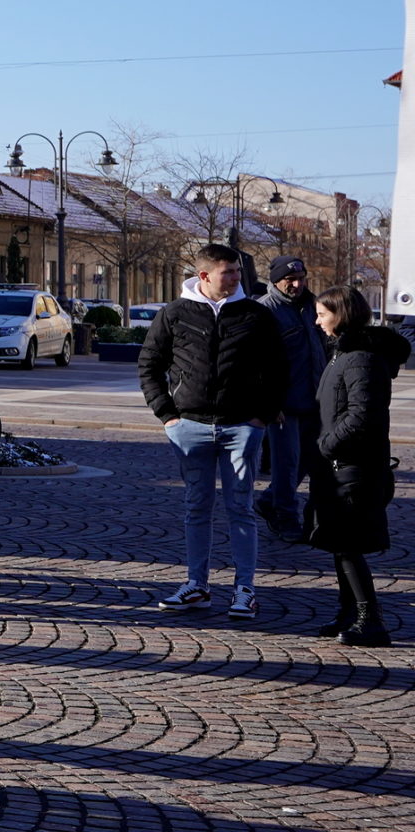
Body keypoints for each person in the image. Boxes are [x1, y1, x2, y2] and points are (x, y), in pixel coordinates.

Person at [137, 241, 289, 618]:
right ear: (204, 275)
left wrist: (261, 417)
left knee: (241, 508)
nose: (237, 278)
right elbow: (149, 365)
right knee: (196, 507)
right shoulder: (175, 313)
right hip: (190, 427)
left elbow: (279, 369)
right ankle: (197, 585)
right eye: (229, 272)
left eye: (238, 271)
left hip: (242, 427)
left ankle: (245, 589)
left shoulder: (255, 314)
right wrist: (167, 416)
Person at [309, 286, 399, 647]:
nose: (317, 321)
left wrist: (326, 444)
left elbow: (362, 414)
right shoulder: (342, 353)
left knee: (348, 544)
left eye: (322, 314)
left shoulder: (361, 357)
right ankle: (348, 613)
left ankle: (370, 619)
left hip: (354, 465)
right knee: (339, 542)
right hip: (338, 465)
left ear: (341, 314)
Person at [254, 255, 327, 545]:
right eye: (290, 280)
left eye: (301, 278)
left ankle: (269, 500)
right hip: (283, 405)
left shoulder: (312, 305)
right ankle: (285, 516)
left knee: (308, 459)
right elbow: (256, 363)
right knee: (287, 463)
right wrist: (270, 402)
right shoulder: (265, 311)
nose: (297, 284)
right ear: (275, 281)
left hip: (314, 399)